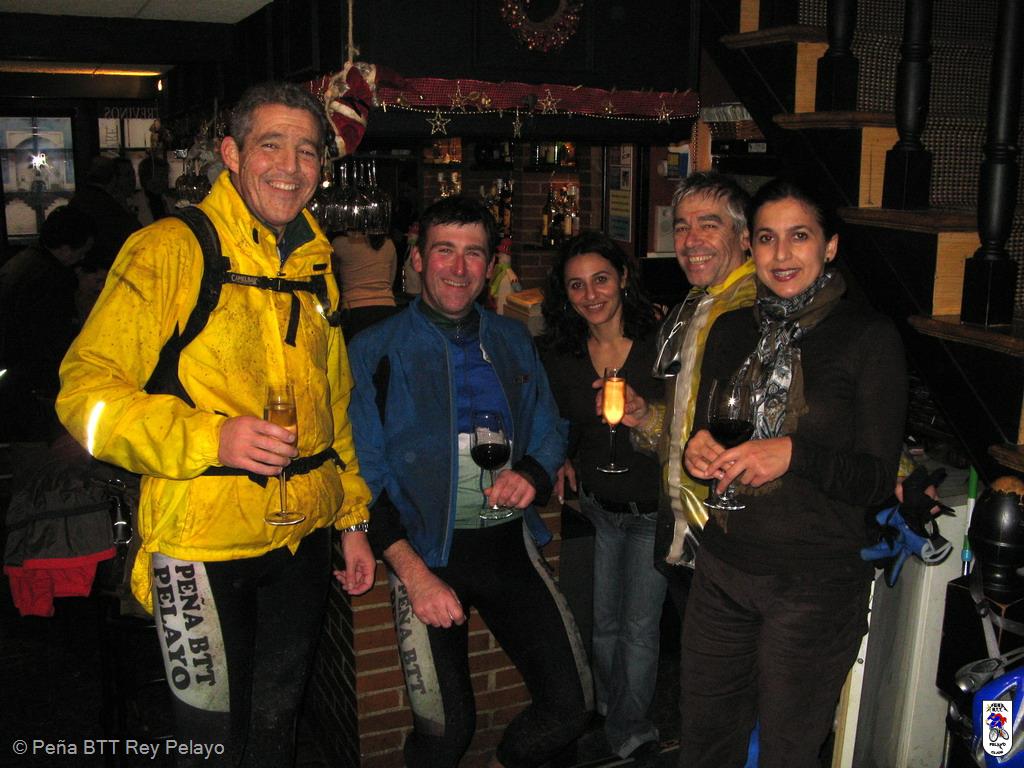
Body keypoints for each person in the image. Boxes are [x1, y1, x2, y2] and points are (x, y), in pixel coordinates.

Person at [56, 81, 376, 766]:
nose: (290, 166)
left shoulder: (318, 263)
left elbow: (334, 405)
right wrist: (212, 437)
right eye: (271, 145)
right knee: (210, 747)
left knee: (276, 729)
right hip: (199, 546)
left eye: (307, 151)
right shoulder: (169, 250)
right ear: (231, 153)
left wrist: (352, 519)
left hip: (302, 539)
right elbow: (85, 396)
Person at [346, 195, 592, 768]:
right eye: (445, 251)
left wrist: (532, 472)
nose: (459, 268)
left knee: (572, 708)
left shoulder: (512, 339)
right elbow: (361, 473)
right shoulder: (374, 349)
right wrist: (412, 574)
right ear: (417, 259)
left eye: (473, 254)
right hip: (424, 556)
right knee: (445, 732)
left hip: (509, 547)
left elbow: (550, 427)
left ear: (490, 265)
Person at [678, 178, 907, 767]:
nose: (780, 255)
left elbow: (875, 479)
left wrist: (793, 454)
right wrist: (695, 455)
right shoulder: (731, 330)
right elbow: (709, 434)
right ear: (750, 247)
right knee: (704, 745)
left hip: (814, 585)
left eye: (798, 236)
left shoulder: (869, 337)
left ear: (829, 246)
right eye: (766, 238)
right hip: (722, 570)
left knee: (787, 752)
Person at [538, 231, 664, 762]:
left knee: (639, 629)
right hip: (596, 506)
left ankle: (631, 730)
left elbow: (684, 423)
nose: (590, 295)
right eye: (577, 285)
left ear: (623, 279)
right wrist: (561, 456)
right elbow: (555, 418)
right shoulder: (561, 354)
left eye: (601, 280)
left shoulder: (660, 343)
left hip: (651, 510)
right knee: (603, 624)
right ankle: (612, 711)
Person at [623, 171, 757, 614]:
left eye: (709, 224)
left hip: (741, 538)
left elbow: (817, 406)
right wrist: (646, 417)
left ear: (744, 236)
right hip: (685, 532)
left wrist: (898, 470)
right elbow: (682, 426)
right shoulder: (688, 310)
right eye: (681, 227)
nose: (691, 240)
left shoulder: (765, 307)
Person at [0, 204, 95, 441]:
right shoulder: (50, 279)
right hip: (25, 383)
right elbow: (50, 341)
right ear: (65, 249)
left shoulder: (23, 262)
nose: (82, 259)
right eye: (82, 252)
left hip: (13, 374)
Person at [68, 154, 142, 268]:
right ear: (114, 179)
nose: (132, 179)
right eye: (127, 175)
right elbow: (133, 234)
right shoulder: (110, 206)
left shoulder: (79, 200)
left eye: (132, 174)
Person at [330, 230, 399, 340]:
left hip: (354, 311)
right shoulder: (389, 244)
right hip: (387, 308)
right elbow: (391, 280)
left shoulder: (340, 243)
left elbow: (330, 278)